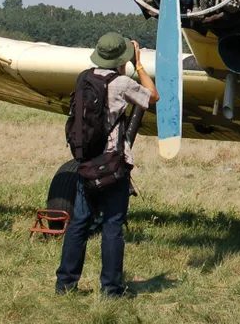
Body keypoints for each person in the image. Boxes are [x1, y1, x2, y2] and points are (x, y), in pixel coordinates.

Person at [55, 32, 159, 298]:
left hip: (85, 160)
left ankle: (65, 284)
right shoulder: (122, 83)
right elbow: (153, 96)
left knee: (79, 222)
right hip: (113, 164)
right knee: (113, 225)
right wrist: (138, 64)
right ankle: (111, 289)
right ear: (120, 58)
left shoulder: (83, 78)